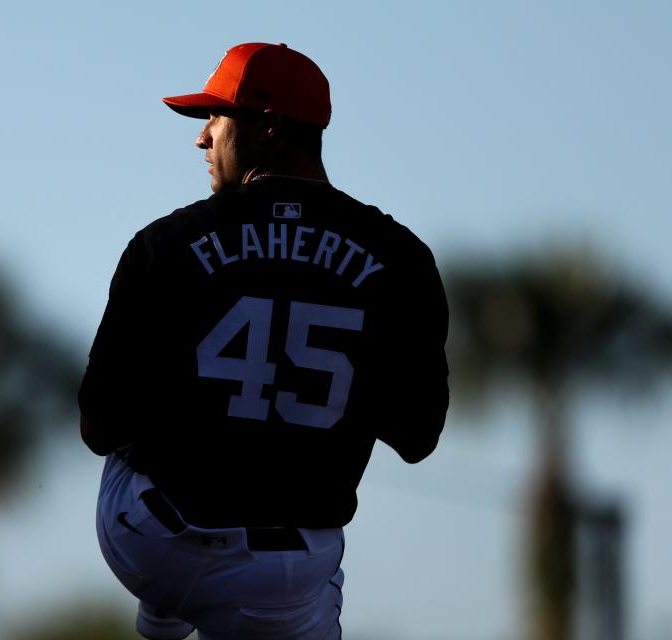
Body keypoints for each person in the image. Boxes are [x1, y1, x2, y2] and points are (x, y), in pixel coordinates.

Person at [79, 42, 449, 640]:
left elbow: (97, 429)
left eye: (216, 116)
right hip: (284, 574)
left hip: (153, 540)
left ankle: (163, 616)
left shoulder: (166, 242)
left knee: (132, 431)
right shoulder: (403, 258)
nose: (202, 138)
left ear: (270, 127)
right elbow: (416, 437)